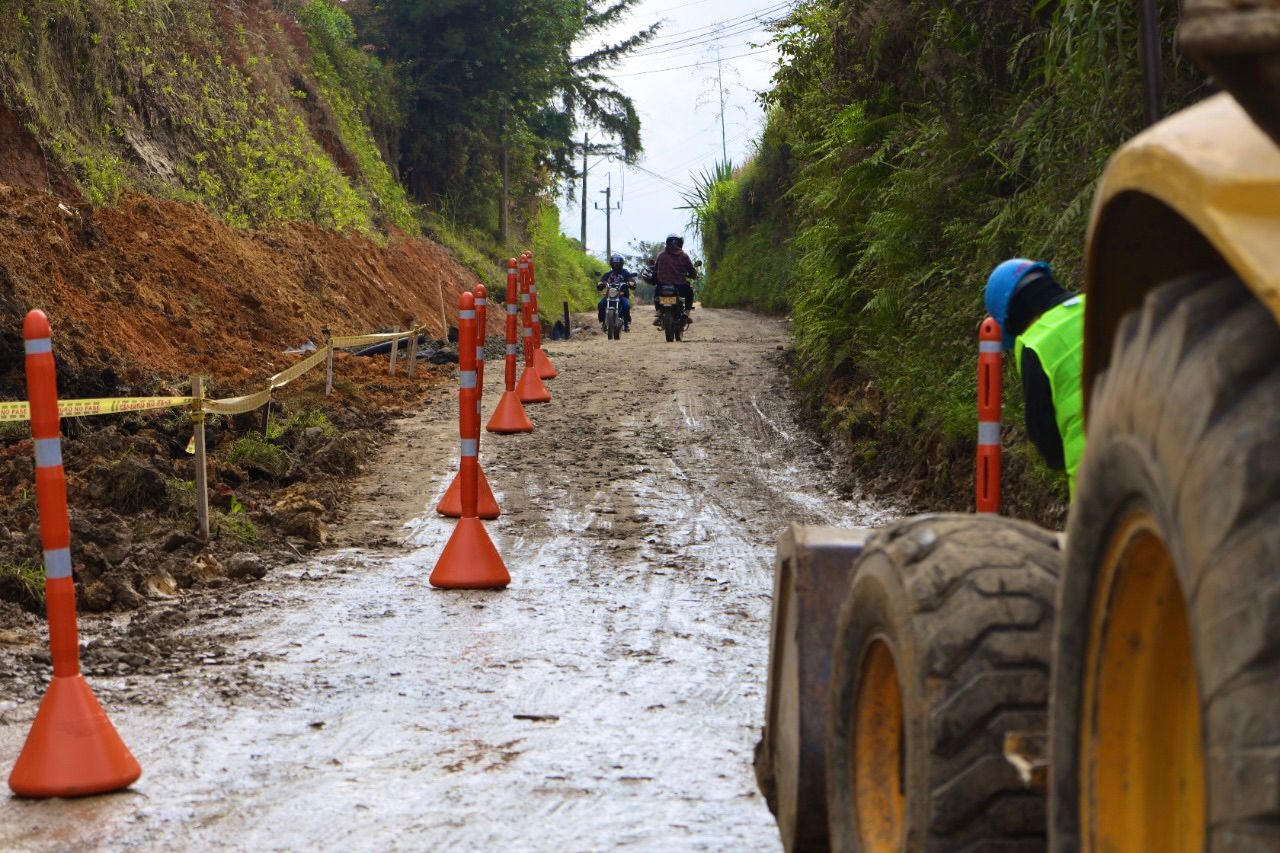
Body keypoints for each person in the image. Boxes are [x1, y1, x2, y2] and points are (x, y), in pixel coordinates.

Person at [984, 258, 1086, 495]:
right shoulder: (1102, 303)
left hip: (1096, 479)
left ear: (1012, 318)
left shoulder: (1035, 344)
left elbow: (1043, 433)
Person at [652, 233, 699, 324]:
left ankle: (659, 312)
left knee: (657, 293)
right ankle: (686, 312)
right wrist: (693, 275)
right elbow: (692, 271)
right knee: (689, 293)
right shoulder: (684, 256)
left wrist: (654, 279)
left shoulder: (661, 255)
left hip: (662, 286)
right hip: (680, 286)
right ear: (679, 243)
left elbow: (655, 270)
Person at [597, 253, 637, 332]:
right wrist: (601, 283)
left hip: (622, 295)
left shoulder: (626, 273)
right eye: (614, 263)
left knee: (626, 306)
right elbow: (602, 281)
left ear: (621, 263)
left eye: (617, 263)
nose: (615, 265)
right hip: (610, 296)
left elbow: (631, 280)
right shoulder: (608, 274)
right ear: (611, 264)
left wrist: (631, 283)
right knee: (601, 304)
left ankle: (626, 324)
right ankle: (603, 322)